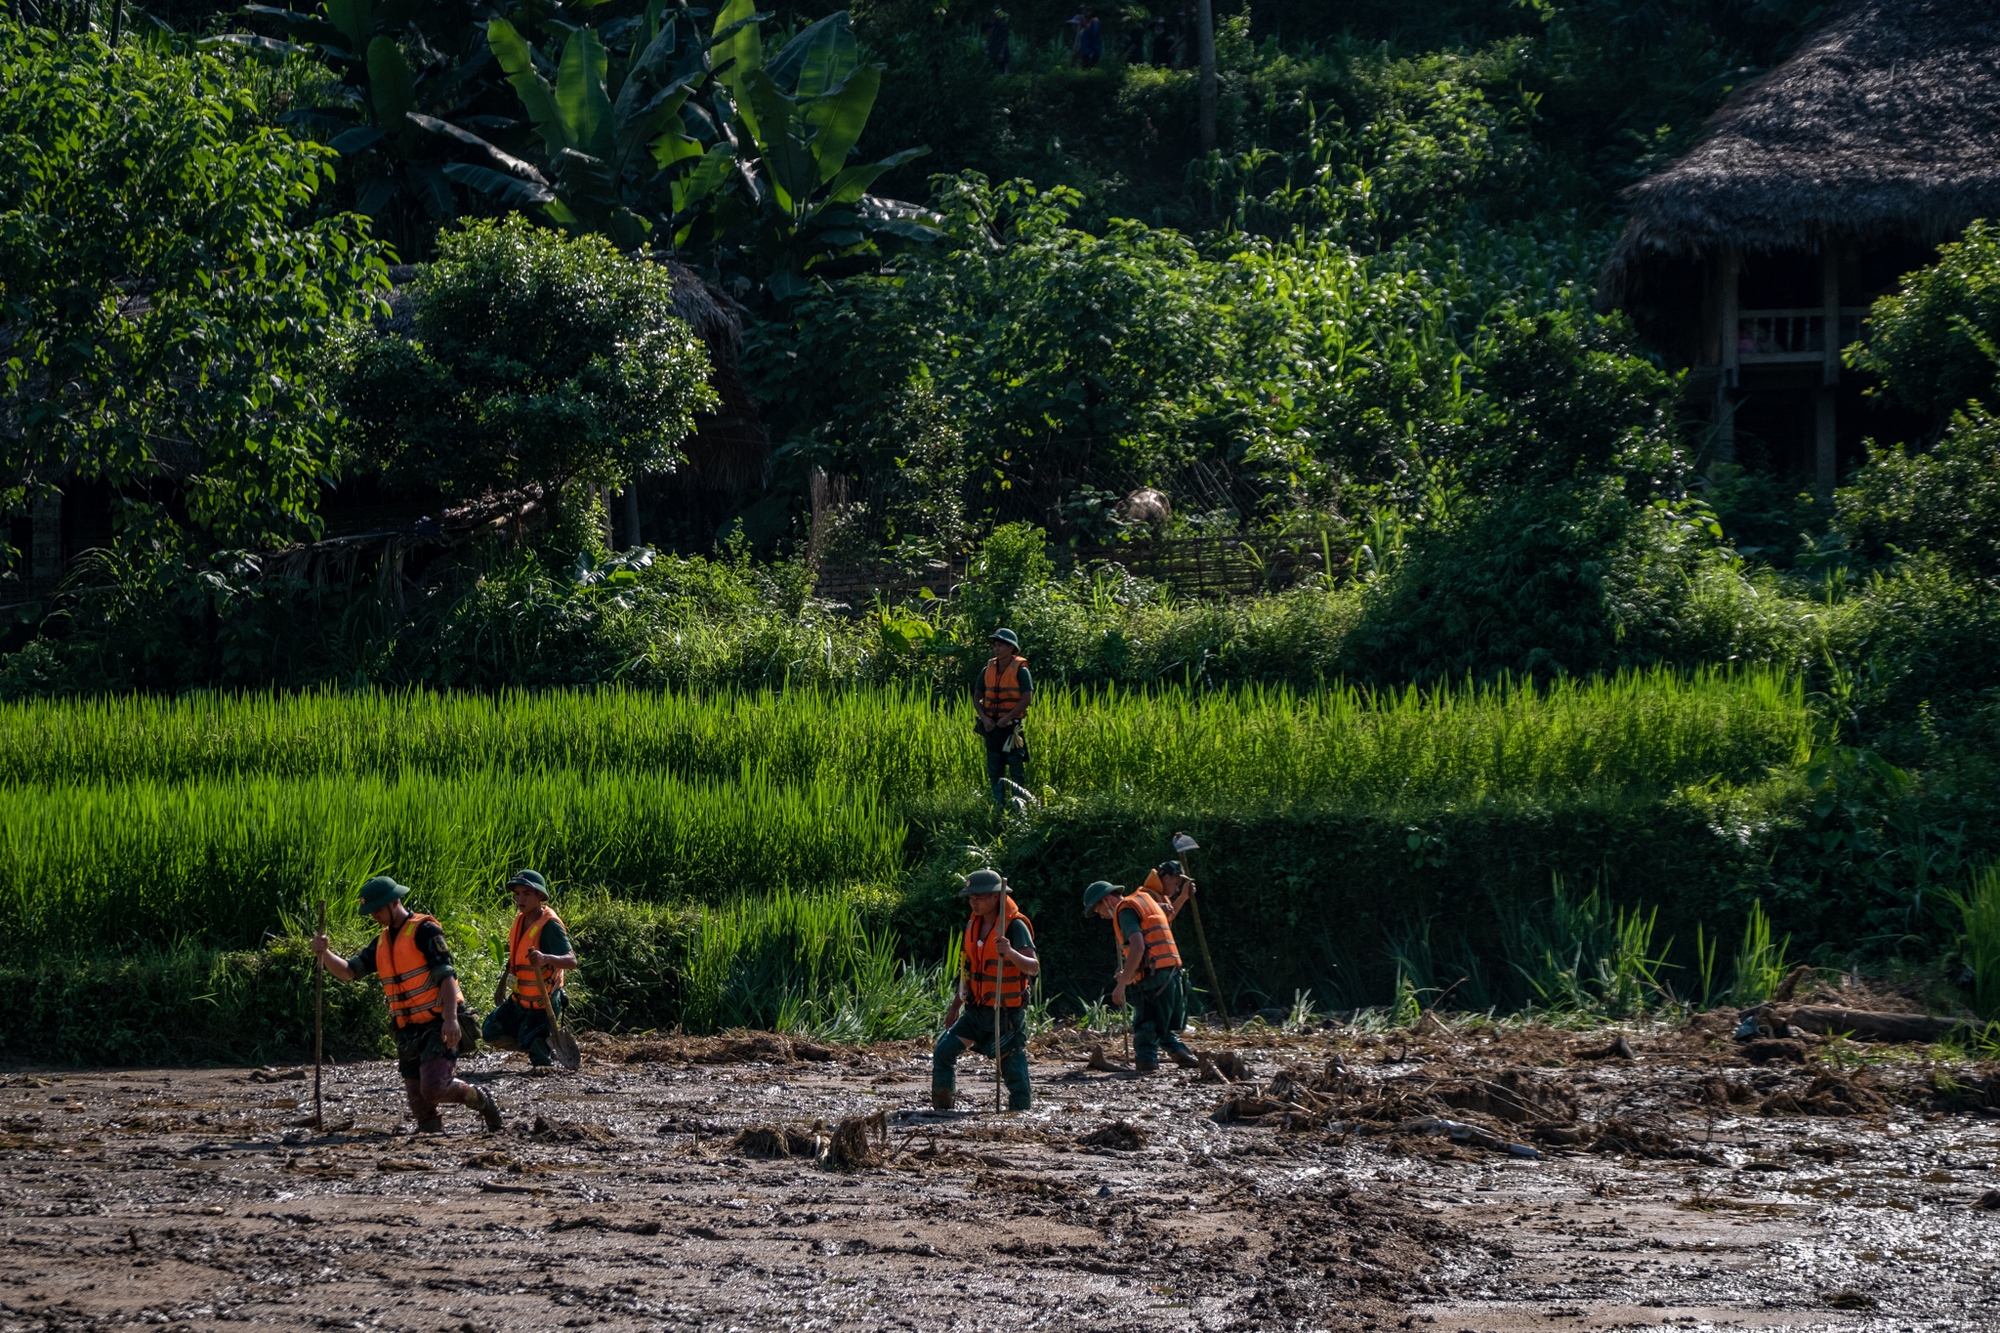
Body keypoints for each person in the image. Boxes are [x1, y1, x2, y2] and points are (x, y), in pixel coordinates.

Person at [312, 876, 502, 1134]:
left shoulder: (425, 930)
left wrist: (450, 1019)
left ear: (394, 903)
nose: (374, 916)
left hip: (438, 1021)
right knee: (417, 1099)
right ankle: (430, 1133)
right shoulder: (381, 942)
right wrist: (325, 953)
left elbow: (447, 975)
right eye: (371, 912)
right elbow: (348, 972)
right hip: (407, 1028)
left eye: (378, 910)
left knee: (434, 1087)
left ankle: (479, 1097)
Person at [933, 869, 1039, 1111]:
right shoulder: (973, 924)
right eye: (971, 898)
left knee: (1013, 1070)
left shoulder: (1015, 926)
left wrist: (1010, 952)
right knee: (943, 1052)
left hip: (1005, 1015)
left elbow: (1033, 968)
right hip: (977, 1012)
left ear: (995, 897)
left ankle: (1021, 1117)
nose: (974, 902)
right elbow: (967, 972)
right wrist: (954, 1008)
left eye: (979, 897)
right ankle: (941, 1110)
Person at [1085, 879, 1199, 1072]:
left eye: (1098, 910)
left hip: (1156, 979)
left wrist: (1121, 985)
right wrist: (1128, 974)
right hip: (1173, 974)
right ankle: (1191, 1060)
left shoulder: (1125, 910)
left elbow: (1138, 946)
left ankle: (1146, 1068)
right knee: (1160, 1029)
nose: (1102, 916)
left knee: (1145, 1028)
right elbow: (1151, 946)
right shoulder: (1144, 900)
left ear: (1105, 900)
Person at [482, 870, 577, 1069]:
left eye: (526, 893)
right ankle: (530, 1041)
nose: (519, 899)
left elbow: (571, 961)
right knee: (490, 1030)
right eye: (516, 894)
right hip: (520, 999)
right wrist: (501, 985)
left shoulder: (550, 926)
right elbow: (515, 959)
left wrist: (544, 958)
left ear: (539, 896)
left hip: (543, 1004)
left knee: (540, 1064)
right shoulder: (520, 920)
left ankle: (539, 1046)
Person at [974, 628, 1033, 803]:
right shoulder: (988, 669)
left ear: (1011, 648)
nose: (996, 648)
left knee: (1016, 771)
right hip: (991, 728)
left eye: (1001, 645)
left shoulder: (1021, 670)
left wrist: (1006, 718)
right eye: (995, 645)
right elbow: (977, 696)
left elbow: (1027, 699)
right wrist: (984, 719)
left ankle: (1019, 808)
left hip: (1012, 729)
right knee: (995, 771)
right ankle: (999, 808)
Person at [984, 6, 1010, 72]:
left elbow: (1004, 40)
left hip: (1002, 54)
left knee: (1003, 71)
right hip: (994, 53)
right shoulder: (993, 24)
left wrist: (1001, 53)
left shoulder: (1002, 25)